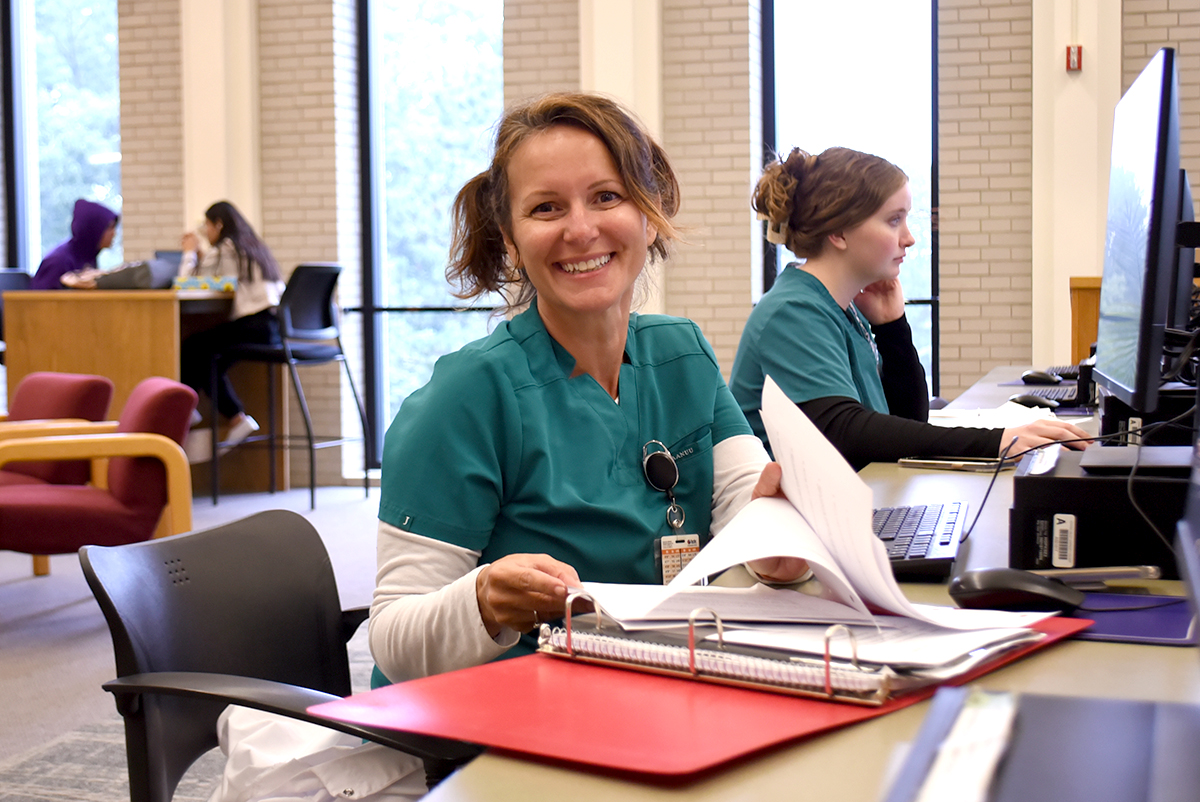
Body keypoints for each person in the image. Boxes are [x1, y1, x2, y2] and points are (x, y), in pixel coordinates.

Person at [729, 147, 1090, 471]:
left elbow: (905, 419)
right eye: (893, 220)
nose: (910, 237)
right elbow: (845, 432)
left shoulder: (842, 309)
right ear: (838, 233)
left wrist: (892, 329)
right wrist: (996, 442)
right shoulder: (793, 312)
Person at [178, 200, 284, 461]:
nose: (206, 231)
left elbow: (191, 284)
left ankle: (206, 409)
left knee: (194, 346)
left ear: (219, 224)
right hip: (272, 327)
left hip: (253, 326)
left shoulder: (227, 247)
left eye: (207, 225)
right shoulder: (254, 247)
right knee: (208, 359)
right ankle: (195, 407)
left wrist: (189, 254)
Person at [31, 199, 119, 289]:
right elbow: (39, 300)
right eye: (110, 228)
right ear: (94, 230)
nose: (114, 233)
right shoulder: (58, 262)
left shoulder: (87, 256)